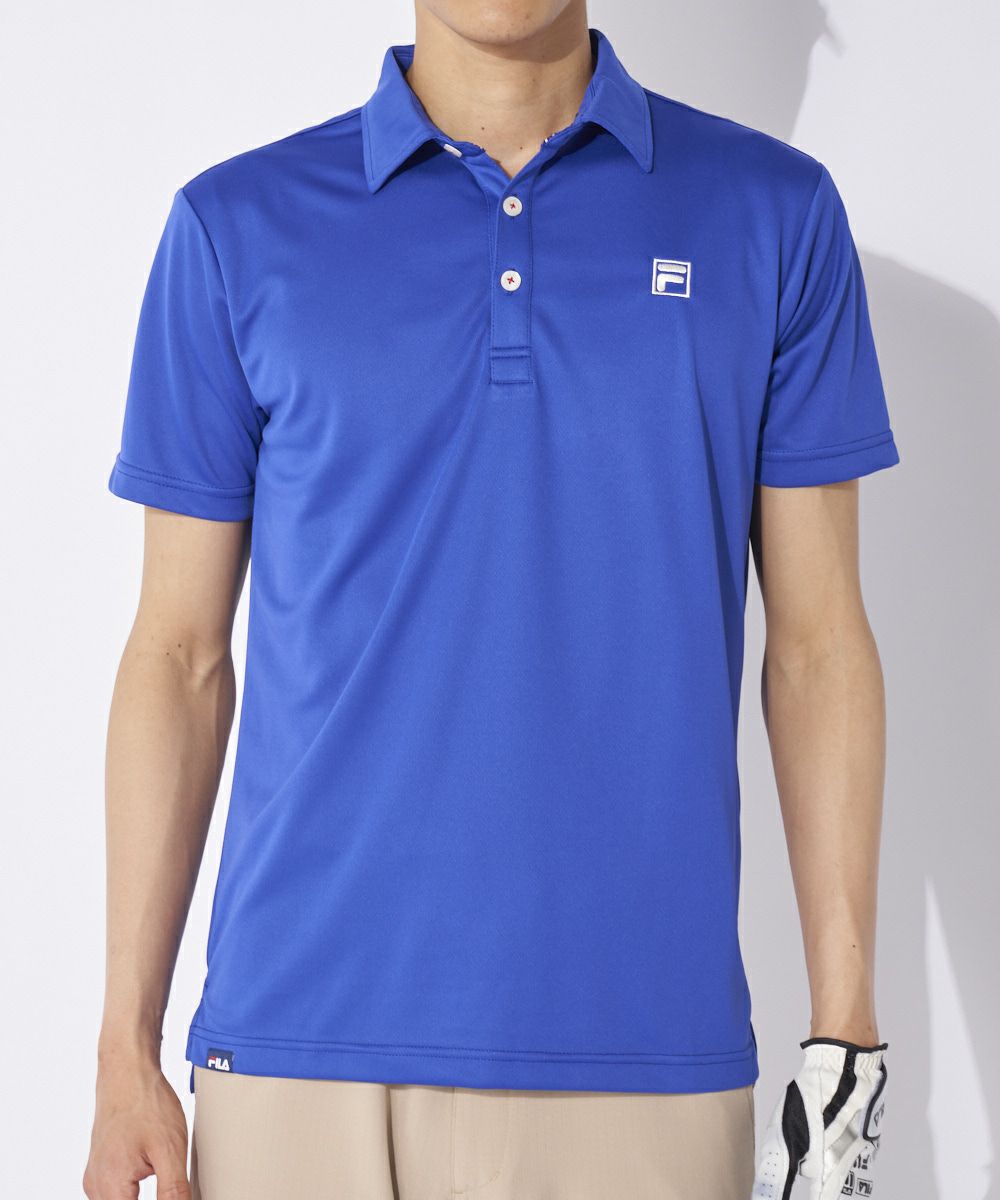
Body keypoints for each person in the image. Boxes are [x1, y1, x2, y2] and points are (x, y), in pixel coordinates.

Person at [84, 2, 897, 1197]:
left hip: (644, 1056)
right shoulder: (236, 227)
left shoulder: (773, 216)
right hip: (297, 1052)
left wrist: (846, 1040)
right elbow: (178, 656)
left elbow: (818, 648)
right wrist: (125, 1046)